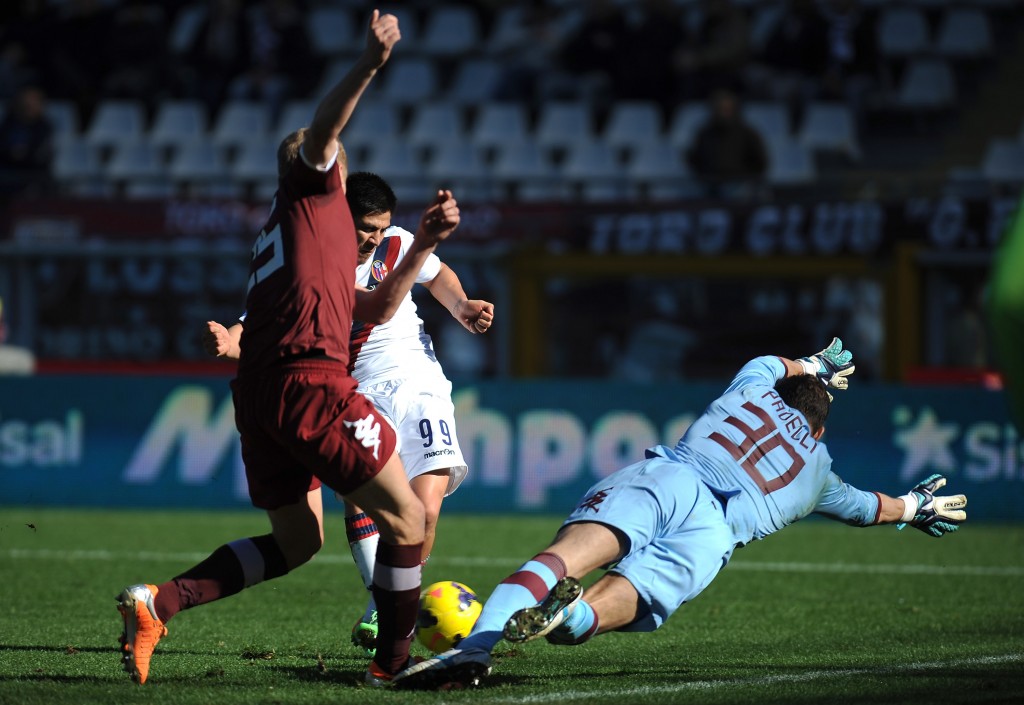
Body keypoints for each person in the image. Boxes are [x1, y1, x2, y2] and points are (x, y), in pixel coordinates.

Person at [114, 10, 447, 689]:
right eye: (335, 162)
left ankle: (159, 603)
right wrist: (368, 67)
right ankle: (396, 661)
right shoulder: (314, 192)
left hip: (260, 394)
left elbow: (377, 307)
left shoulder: (299, 238)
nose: (339, 167)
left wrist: (425, 245)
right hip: (308, 383)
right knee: (408, 515)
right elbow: (323, 132)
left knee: (299, 542)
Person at [393, 338, 969, 690]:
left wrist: (813, 363)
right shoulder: (819, 469)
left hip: (670, 477)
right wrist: (914, 507)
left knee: (557, 559)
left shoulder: (753, 389)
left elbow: (771, 363)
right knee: (587, 624)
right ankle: (563, 619)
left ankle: (476, 646)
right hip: (712, 534)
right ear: (819, 429)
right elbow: (867, 508)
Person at [203, 171, 496, 657]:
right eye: (366, 228)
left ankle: (384, 601)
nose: (375, 239)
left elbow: (436, 273)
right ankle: (382, 605)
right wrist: (229, 342)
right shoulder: (310, 259)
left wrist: (462, 305)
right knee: (361, 497)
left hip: (421, 380)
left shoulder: (399, 242)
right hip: (354, 389)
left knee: (423, 513)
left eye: (382, 228)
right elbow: (259, 322)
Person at [686, 88, 768, 198]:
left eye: (727, 109)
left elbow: (760, 162)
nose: (723, 113)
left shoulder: (747, 133)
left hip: (739, 183)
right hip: (709, 183)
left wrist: (743, 177)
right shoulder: (704, 133)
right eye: (719, 109)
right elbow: (695, 159)